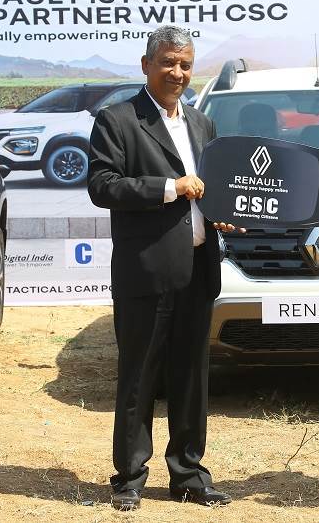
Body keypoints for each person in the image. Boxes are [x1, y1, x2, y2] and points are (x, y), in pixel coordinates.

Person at [88, 25, 242, 511]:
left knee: (191, 376)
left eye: (186, 64)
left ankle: (189, 475)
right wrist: (171, 188)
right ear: (146, 65)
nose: (178, 72)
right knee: (139, 376)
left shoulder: (202, 124)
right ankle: (129, 477)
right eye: (169, 63)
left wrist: (222, 213)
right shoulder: (117, 120)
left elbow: (210, 190)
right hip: (146, 271)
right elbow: (102, 186)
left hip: (198, 268)